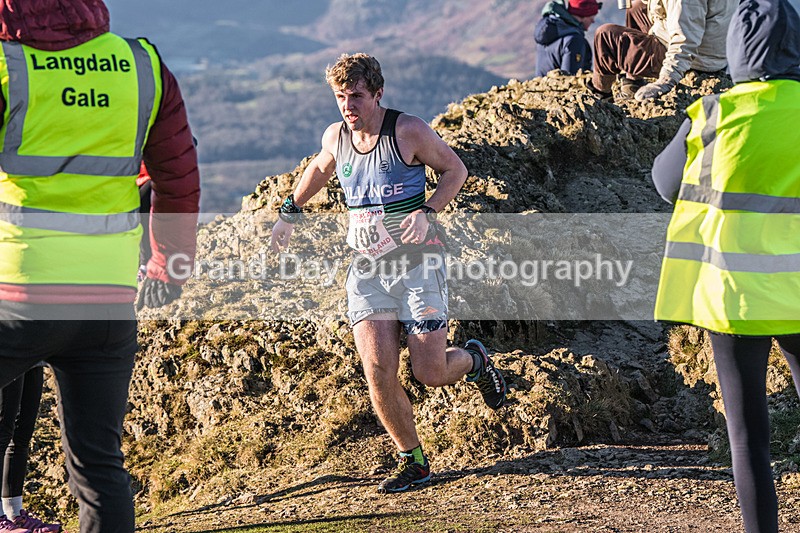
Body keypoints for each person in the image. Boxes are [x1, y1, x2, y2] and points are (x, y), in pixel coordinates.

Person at [0, 0, 201, 532]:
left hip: (17, 294)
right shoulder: (142, 64)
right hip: (107, 302)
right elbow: (179, 181)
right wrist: (169, 268)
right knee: (99, 470)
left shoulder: (7, 64)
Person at [271, 53, 507, 493]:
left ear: (377, 94)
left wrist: (429, 211)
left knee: (429, 372)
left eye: (356, 96)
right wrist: (289, 211)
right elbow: (321, 167)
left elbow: (456, 169)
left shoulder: (407, 130)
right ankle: (413, 461)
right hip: (367, 272)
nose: (348, 105)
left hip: (419, 267)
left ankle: (475, 360)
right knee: (378, 370)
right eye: (340, 97)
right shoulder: (336, 136)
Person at [652, 0, 800, 529]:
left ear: (738, 50)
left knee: (748, 438)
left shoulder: (715, 114)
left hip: (733, 300)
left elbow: (664, 183)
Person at [589, 0, 735, 100]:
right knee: (636, 8)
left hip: (697, 59)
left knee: (605, 36)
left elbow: (685, 41)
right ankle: (632, 84)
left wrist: (665, 81)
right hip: (709, 45)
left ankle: (601, 95)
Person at [0, 367, 61, 533]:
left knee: (22, 435)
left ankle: (14, 514)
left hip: (34, 352)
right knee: (2, 433)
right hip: (9, 349)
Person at [534, 0, 602, 78]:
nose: (593, 21)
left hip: (544, 87)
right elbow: (570, 79)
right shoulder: (574, 40)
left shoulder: (552, 33)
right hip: (560, 89)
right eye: (591, 16)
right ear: (583, 15)